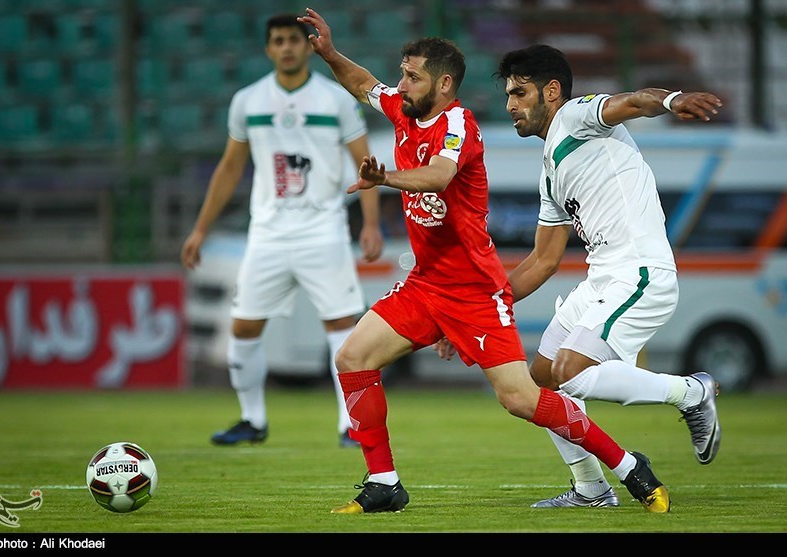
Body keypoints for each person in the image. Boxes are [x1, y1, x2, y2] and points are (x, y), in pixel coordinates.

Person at [298, 7, 672, 514]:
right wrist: (328, 53)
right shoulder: (400, 109)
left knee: (521, 398)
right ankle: (384, 482)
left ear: (445, 83)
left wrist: (383, 179)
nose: (401, 85)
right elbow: (363, 83)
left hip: (474, 290)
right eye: (403, 74)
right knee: (352, 357)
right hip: (426, 284)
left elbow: (437, 177)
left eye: (413, 77)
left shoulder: (458, 124)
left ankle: (629, 467)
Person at [493, 44, 723, 508]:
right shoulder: (551, 170)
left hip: (639, 273)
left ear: (551, 91)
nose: (510, 105)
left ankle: (692, 392)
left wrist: (673, 100)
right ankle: (591, 489)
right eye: (508, 95)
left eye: (519, 93)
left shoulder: (576, 116)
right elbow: (542, 261)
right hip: (602, 279)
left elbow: (634, 101)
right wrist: (478, 306)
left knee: (571, 373)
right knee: (540, 384)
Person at [180, 13, 383, 449]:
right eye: (278, 40)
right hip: (268, 234)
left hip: (323, 230)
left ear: (307, 46)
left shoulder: (336, 100)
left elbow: (364, 166)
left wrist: (368, 224)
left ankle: (351, 424)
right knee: (243, 328)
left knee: (341, 327)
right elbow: (230, 168)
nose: (287, 47)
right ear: (268, 48)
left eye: (294, 39)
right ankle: (252, 419)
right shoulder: (248, 101)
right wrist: (200, 229)